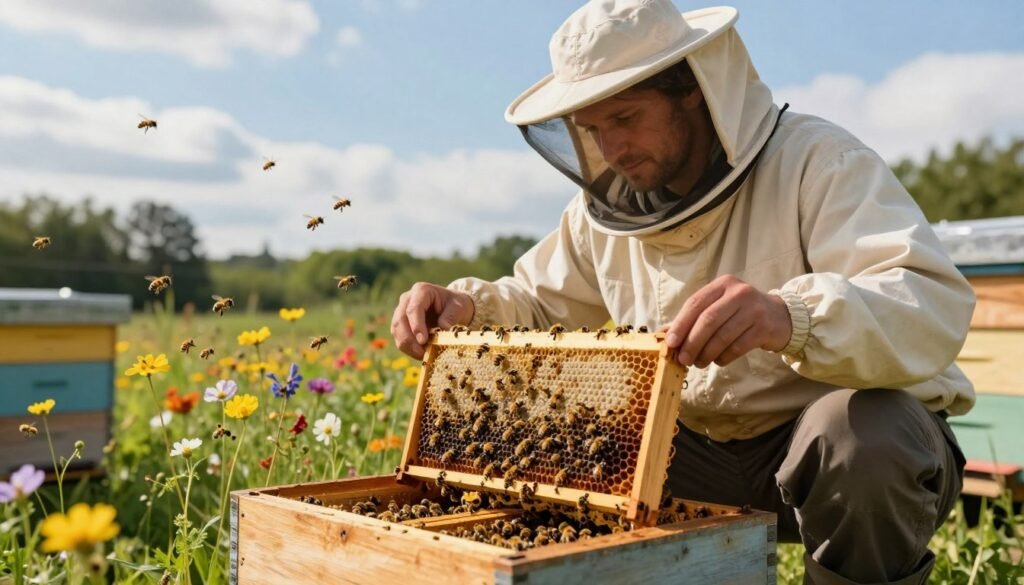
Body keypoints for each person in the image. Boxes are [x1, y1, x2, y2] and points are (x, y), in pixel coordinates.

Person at [390, 1, 974, 583]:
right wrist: (471, 308)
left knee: (861, 438)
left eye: (625, 118)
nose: (611, 150)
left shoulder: (820, 162)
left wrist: (790, 315)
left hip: (829, 454)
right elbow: (540, 303)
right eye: (593, 130)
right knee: (570, 444)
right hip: (692, 455)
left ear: (694, 88)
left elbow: (927, 300)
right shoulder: (599, 216)